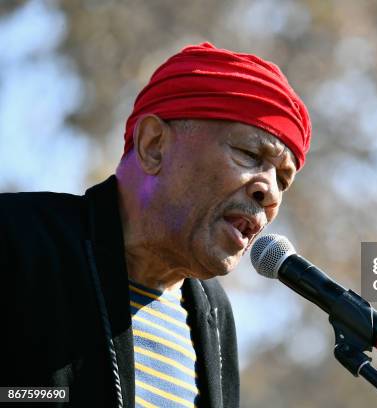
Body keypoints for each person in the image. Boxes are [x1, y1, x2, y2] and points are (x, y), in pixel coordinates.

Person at [0, 42, 311, 408]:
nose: (270, 192)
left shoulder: (214, 316)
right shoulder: (16, 237)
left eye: (284, 180)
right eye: (249, 154)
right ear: (153, 144)